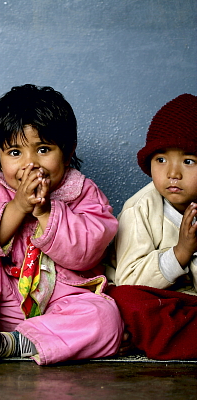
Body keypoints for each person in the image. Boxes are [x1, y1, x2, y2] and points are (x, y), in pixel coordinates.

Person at [0, 84, 123, 365]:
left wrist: (45, 211)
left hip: (59, 305)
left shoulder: (84, 192)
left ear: (67, 150)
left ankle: (16, 343)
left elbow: (89, 251)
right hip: (0, 303)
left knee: (107, 318)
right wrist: (17, 207)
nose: (30, 164)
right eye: (15, 152)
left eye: (42, 149)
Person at [108, 94, 197, 360]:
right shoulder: (140, 209)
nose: (173, 173)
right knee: (125, 302)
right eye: (161, 160)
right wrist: (181, 252)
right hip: (156, 301)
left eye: (188, 161)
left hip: (189, 305)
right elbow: (129, 280)